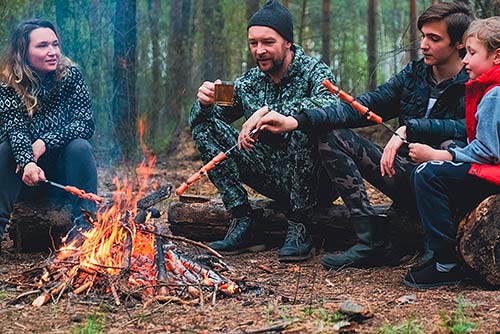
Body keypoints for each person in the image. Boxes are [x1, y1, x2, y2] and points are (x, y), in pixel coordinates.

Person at [256, 1, 475, 269]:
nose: (423, 45)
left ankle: (438, 247)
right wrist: (296, 121)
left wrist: (413, 127)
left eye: (434, 38)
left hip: (449, 187)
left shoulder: (474, 83)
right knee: (331, 133)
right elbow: (361, 107)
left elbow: (469, 133)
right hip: (405, 176)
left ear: (458, 45)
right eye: (423, 36)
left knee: (450, 143)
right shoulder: (414, 76)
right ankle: (371, 240)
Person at [189, 0, 338, 262]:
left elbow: (331, 103)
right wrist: (203, 103)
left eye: (268, 42)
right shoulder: (248, 82)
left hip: (319, 181)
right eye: (253, 43)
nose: (259, 50)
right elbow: (207, 119)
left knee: (303, 124)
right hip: (273, 175)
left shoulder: (315, 70)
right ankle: (243, 219)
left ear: (288, 42)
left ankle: (300, 224)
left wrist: (271, 110)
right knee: (205, 125)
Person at [403, 17, 500, 289]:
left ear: (497, 56)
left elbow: (488, 152)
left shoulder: (494, 94)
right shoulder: (489, 88)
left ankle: (445, 263)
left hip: (495, 173)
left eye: (472, 53)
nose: (465, 60)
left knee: (427, 174)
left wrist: (438, 156)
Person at [0, 19, 97, 241]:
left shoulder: (71, 77)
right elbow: (15, 129)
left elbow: (85, 123)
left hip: (64, 179)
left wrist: (44, 141)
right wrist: (28, 162)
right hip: (24, 177)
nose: (52, 51)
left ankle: (86, 230)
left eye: (55, 44)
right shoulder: (7, 85)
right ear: (23, 52)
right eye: (42, 46)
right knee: (6, 149)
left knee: (80, 146)